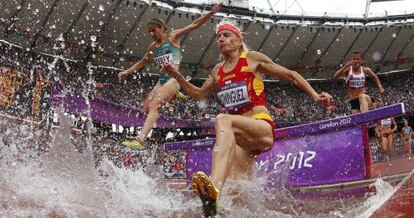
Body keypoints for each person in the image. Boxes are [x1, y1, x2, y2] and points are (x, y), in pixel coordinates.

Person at [161, 21, 332, 217]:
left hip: (261, 126)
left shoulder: (252, 59)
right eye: (218, 37)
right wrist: (176, 75)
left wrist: (315, 95)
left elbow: (291, 75)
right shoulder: (218, 70)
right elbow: (199, 95)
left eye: (226, 35)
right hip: (243, 139)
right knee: (237, 190)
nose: (221, 39)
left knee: (222, 119)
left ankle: (214, 189)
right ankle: (222, 207)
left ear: (238, 39)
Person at [118, 3, 222, 148]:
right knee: (146, 107)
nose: (151, 34)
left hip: (174, 79)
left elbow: (193, 25)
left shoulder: (173, 37)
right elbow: (142, 63)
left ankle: (141, 139)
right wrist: (127, 72)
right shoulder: (153, 47)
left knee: (155, 104)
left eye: (154, 30)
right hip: (162, 80)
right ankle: (174, 94)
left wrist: (211, 13)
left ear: (162, 29)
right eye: (149, 32)